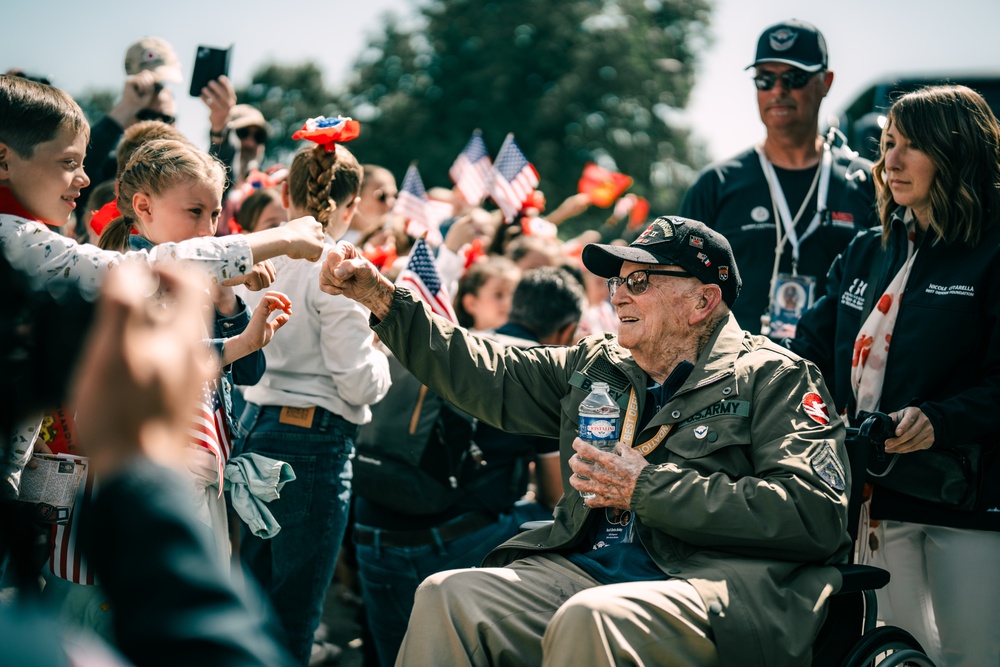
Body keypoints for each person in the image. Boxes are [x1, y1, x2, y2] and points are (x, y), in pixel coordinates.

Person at [319, 215, 851, 666]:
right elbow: (489, 369)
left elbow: (814, 514)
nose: (615, 294)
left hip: (709, 584)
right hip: (588, 570)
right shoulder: (601, 364)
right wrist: (382, 298)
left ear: (701, 301)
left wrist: (649, 489)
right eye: (616, 281)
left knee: (590, 619)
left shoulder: (775, 378)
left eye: (639, 282)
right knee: (447, 596)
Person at [792, 85, 1000, 667]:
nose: (892, 160)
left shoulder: (994, 252)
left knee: (972, 656)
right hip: (873, 500)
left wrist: (938, 421)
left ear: (957, 153)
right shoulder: (865, 250)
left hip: (970, 504)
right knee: (898, 657)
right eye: (887, 144)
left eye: (913, 146)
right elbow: (803, 355)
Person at [0, 257, 295, 667]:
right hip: (95, 555)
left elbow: (243, 368)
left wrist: (236, 326)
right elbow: (229, 649)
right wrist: (140, 458)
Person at [352, 266, 580, 666]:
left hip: (370, 530)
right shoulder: (539, 374)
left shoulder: (458, 344)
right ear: (567, 331)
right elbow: (552, 495)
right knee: (556, 524)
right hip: (442, 542)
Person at [236, 119, 391, 667]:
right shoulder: (340, 267)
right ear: (349, 209)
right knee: (294, 617)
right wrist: (382, 353)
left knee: (251, 609)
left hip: (256, 430)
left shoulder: (268, 258)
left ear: (287, 193)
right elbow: (356, 377)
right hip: (314, 442)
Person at [679, 19, 876, 340]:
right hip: (737, 379)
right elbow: (680, 292)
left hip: (839, 379)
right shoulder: (716, 184)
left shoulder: (867, 182)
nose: (778, 91)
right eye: (765, 79)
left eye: (794, 78)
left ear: (826, 82)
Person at [453, 255, 521, 332]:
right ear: (471, 303)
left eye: (514, 295)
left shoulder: (527, 342)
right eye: (498, 295)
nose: (508, 302)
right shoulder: (460, 341)